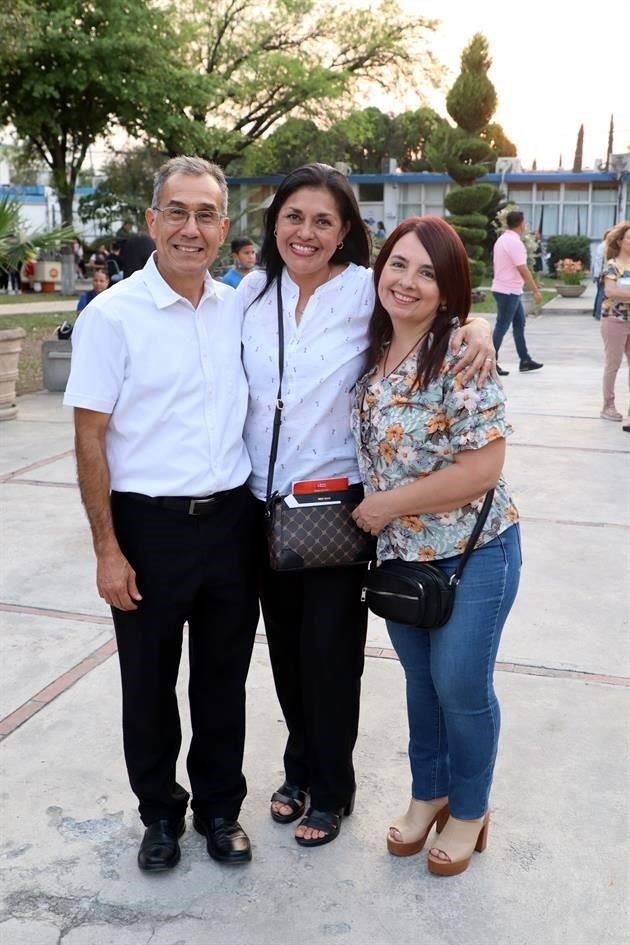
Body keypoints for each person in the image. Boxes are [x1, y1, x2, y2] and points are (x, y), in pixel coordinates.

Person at [237, 163, 495, 848]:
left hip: (340, 508)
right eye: (294, 217)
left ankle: (332, 786)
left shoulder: (362, 292)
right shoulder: (251, 293)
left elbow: (440, 312)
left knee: (330, 653)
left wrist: (480, 331)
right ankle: (298, 769)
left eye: (324, 220)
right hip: (262, 506)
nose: (306, 232)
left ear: (346, 230)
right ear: (275, 222)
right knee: (287, 654)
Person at [63, 156, 260, 872]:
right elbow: (89, 437)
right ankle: (159, 813)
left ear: (224, 226)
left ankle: (219, 809)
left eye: (206, 214)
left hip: (233, 522)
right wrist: (107, 549)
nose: (190, 227)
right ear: (151, 221)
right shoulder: (112, 317)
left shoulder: (240, 305)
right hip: (147, 526)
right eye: (176, 211)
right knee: (147, 684)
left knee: (222, 681)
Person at [351, 215, 521, 876]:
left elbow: (482, 469)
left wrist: (388, 504)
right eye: (399, 264)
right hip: (403, 560)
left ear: (450, 289)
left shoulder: (463, 352)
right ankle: (431, 794)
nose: (409, 281)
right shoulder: (369, 348)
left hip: (476, 552)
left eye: (428, 272)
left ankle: (472, 808)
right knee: (422, 687)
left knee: (459, 683)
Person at [491, 210, 543, 376]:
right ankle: (490, 361)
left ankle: (525, 360)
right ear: (521, 224)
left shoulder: (502, 240)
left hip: (507, 289)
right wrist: (535, 290)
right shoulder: (514, 242)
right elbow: (523, 269)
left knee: (519, 324)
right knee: (502, 326)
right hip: (508, 291)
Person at [599, 220, 630, 428]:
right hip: (614, 320)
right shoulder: (612, 265)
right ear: (620, 241)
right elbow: (610, 292)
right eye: (629, 238)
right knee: (613, 364)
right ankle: (608, 406)